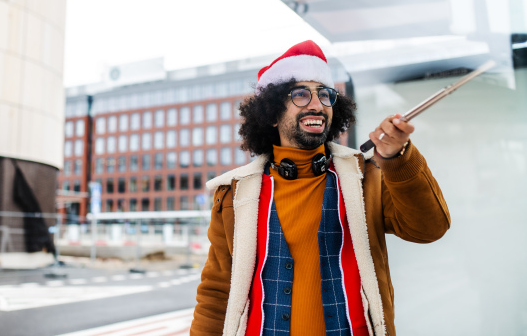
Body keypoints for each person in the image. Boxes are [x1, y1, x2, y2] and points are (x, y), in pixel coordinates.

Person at [190, 40, 450, 336]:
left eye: (325, 95)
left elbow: (429, 229)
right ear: (272, 114)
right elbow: (216, 294)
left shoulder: (367, 177)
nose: (317, 104)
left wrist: (395, 158)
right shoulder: (235, 194)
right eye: (300, 94)